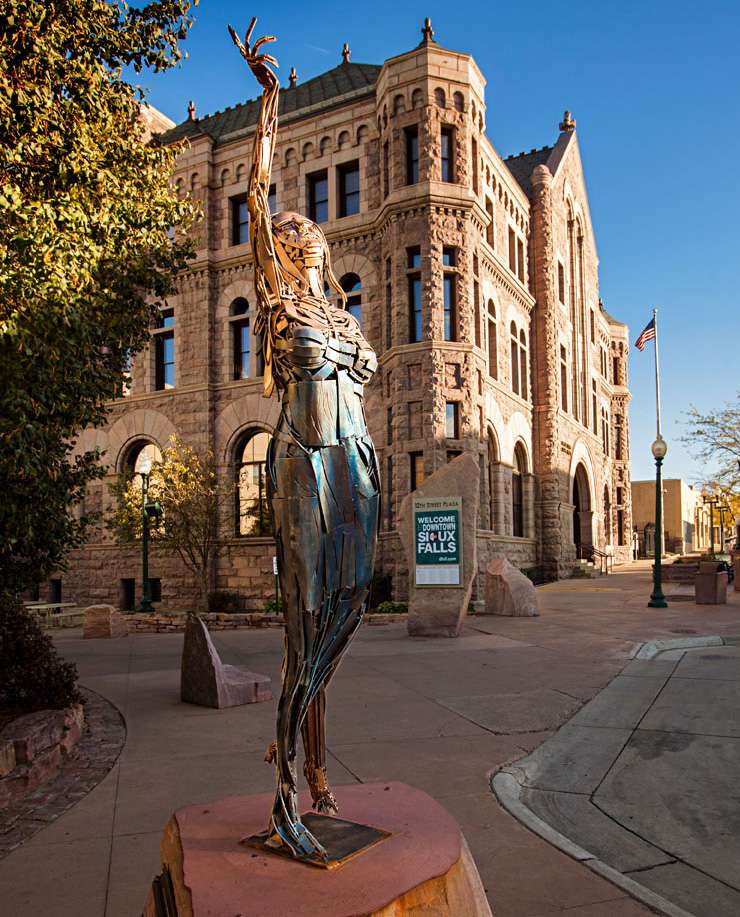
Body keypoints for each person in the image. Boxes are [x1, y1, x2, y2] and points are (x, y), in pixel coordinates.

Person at [231, 21, 380, 863]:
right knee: (303, 627)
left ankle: (311, 764)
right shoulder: (280, 296)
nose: (300, 233)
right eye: (289, 233)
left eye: (306, 234)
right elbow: (257, 191)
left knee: (345, 611)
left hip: (354, 460)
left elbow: (356, 373)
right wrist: (269, 105)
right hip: (302, 465)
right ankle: (291, 788)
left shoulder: (341, 313)